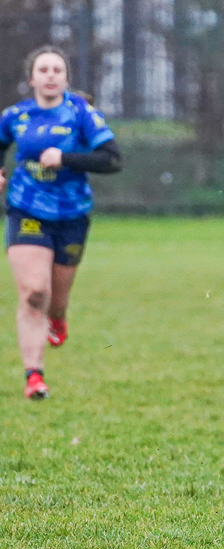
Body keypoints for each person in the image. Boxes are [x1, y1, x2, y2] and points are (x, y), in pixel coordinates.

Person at [1, 45, 122, 399]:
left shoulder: (81, 114)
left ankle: (59, 316)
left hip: (72, 214)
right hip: (26, 210)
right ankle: (34, 376)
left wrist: (65, 158)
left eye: (57, 70)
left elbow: (112, 159)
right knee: (34, 292)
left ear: (66, 78)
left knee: (55, 298)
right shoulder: (15, 116)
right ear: (32, 79)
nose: (50, 75)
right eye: (43, 70)